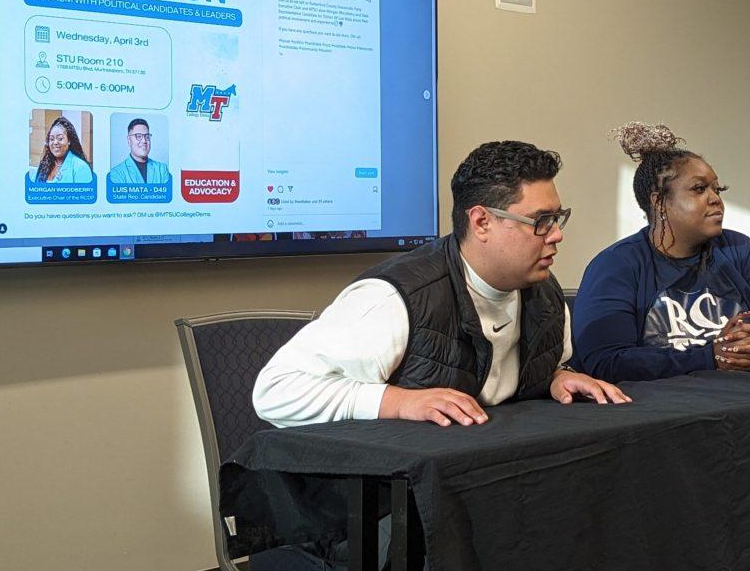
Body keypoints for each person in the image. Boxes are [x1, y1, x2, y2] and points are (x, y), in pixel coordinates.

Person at [254, 139, 630, 429]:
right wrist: (399, 403)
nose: (556, 236)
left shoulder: (545, 294)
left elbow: (523, 372)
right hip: (383, 509)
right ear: (481, 222)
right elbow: (275, 391)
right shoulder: (395, 299)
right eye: (540, 220)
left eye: (557, 218)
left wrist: (558, 378)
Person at [571, 122, 750, 382]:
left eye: (717, 189)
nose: (715, 199)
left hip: (742, 403)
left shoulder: (738, 250)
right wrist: (710, 357)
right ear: (659, 202)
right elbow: (606, 362)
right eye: (699, 189)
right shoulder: (616, 264)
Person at [30, 116, 94, 183]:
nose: (55, 143)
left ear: (69, 140)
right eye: (51, 139)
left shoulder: (81, 167)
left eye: (60, 138)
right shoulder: (43, 165)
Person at [107, 118, 171, 185]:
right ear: (129, 140)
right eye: (138, 136)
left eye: (147, 136)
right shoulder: (117, 173)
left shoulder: (161, 169)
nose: (144, 141)